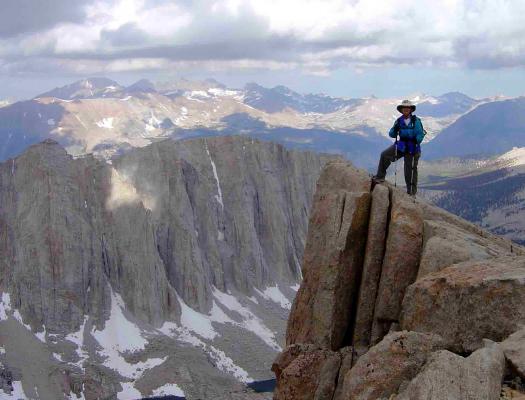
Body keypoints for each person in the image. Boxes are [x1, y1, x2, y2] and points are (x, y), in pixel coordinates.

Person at [372, 99, 425, 195]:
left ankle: (411, 192)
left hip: (412, 148)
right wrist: (395, 129)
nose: (406, 109)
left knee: (410, 170)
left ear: (411, 110)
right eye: (404, 108)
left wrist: (415, 140)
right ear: (401, 110)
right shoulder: (398, 121)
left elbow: (420, 135)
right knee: (385, 155)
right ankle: (380, 177)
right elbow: (391, 134)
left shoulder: (416, 121)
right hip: (402, 145)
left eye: (407, 108)